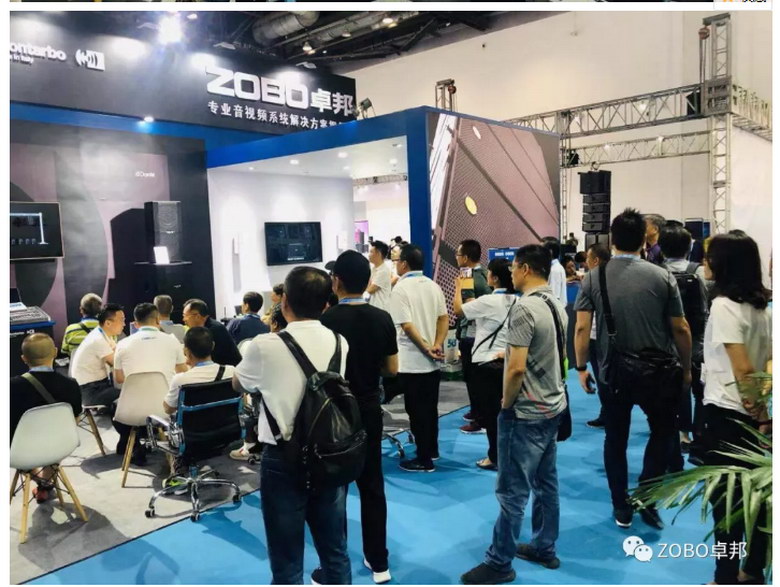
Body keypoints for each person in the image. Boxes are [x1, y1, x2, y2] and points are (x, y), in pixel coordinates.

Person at [573, 208, 692, 530]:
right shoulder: (662, 276)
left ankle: (620, 505)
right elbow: (680, 327)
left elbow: (582, 328)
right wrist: (686, 369)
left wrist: (581, 367)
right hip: (658, 370)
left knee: (616, 439)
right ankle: (648, 498)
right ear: (644, 240)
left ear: (612, 240)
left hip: (613, 372)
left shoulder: (594, 277)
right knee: (662, 432)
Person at [233, 266, 351, 585]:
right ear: (325, 303)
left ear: (284, 301)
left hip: (282, 456)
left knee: (286, 559)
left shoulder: (264, 345)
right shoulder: (339, 342)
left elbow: (239, 383)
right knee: (335, 549)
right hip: (330, 452)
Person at [461, 245, 568, 585]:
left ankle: (499, 562)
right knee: (546, 483)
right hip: (552, 405)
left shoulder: (525, 309)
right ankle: (544, 546)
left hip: (526, 411)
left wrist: (506, 405)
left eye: (514, 268)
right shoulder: (556, 304)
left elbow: (516, 368)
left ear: (524, 269)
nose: (512, 273)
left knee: (512, 491)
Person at [321, 250, 398, 584]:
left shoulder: (326, 321)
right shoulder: (382, 318)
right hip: (368, 410)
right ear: (368, 281)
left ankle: (335, 566)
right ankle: (379, 562)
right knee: (372, 486)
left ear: (336, 281)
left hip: (334, 413)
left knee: (333, 489)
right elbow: (392, 369)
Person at [700, 232, 771, 585]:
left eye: (709, 257)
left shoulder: (724, 306)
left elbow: (742, 368)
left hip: (728, 413)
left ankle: (725, 576)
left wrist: (755, 408)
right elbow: (767, 363)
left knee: (726, 502)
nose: (704, 263)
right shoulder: (761, 308)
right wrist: (762, 411)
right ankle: (753, 569)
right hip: (751, 413)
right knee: (757, 497)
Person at [453, 257, 517, 471]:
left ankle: (494, 457)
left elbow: (458, 310)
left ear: (495, 278)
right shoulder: (518, 301)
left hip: (486, 363)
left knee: (491, 415)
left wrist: (458, 287)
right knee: (508, 411)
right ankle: (508, 454)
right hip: (508, 360)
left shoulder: (489, 301)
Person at [389, 244, 448, 473]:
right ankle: (431, 450)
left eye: (396, 261)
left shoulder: (401, 289)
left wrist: (425, 348)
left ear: (404, 264)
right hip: (432, 361)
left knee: (417, 412)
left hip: (412, 362)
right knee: (430, 410)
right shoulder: (433, 286)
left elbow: (406, 325)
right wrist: (436, 344)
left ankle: (424, 460)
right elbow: (443, 318)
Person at [10, 334, 82, 503]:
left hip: (20, 451)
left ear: (23, 358)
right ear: (55, 352)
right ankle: (45, 482)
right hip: (61, 446)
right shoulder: (71, 384)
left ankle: (42, 482)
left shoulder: (11, 387)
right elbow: (76, 420)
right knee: (52, 444)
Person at [163, 327, 236, 490]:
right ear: (213, 346)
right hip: (226, 431)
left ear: (186, 351)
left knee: (171, 423)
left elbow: (168, 409)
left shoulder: (181, 380)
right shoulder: (231, 371)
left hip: (191, 436)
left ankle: (178, 473)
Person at [659, 224, 709, 461]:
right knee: (700, 389)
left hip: (665, 342)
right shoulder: (699, 272)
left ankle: (681, 434)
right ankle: (699, 435)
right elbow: (707, 305)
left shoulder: (656, 273)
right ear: (689, 247)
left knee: (674, 390)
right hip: (697, 339)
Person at [113, 303, 187, 461]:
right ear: (158, 320)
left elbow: (118, 379)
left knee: (115, 406)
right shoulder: (172, 341)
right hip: (166, 408)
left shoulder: (122, 344)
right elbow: (183, 372)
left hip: (131, 410)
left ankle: (134, 446)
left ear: (135, 323)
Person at [455, 239, 492, 435]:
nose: (456, 258)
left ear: (466, 258)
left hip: (471, 333)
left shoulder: (467, 277)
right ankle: (478, 411)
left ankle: (480, 418)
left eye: (458, 254)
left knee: (473, 378)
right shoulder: (486, 273)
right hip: (486, 333)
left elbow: (466, 308)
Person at [70, 303, 125, 408]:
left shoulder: (104, 335)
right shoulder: (98, 339)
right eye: (121, 320)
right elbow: (118, 363)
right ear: (108, 323)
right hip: (91, 391)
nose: (124, 324)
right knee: (130, 395)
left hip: (98, 386)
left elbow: (120, 354)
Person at [582, 243, 611, 429]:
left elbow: (582, 323)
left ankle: (609, 413)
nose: (586, 262)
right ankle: (607, 412)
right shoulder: (616, 277)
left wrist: (580, 365)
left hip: (597, 336)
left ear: (596, 260)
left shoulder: (591, 280)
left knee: (603, 378)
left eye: (588, 258)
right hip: (610, 336)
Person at [182, 299, 241, 367]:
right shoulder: (204, 328)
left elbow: (204, 359)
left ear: (197, 316)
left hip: (228, 370)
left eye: (185, 316)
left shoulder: (213, 330)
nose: (183, 319)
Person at [61, 293, 102, 357]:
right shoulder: (108, 329)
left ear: (81, 309)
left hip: (76, 363)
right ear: (100, 310)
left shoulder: (70, 329)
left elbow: (64, 351)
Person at [366, 240, 393, 312]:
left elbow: (370, 289)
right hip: (374, 307)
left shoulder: (383, 271)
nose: (369, 255)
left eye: (371, 252)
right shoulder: (374, 269)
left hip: (382, 309)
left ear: (378, 254)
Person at [540, 237, 567, 306]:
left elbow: (554, 297)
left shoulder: (555, 270)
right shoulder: (552, 268)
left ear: (550, 252)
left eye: (541, 249)